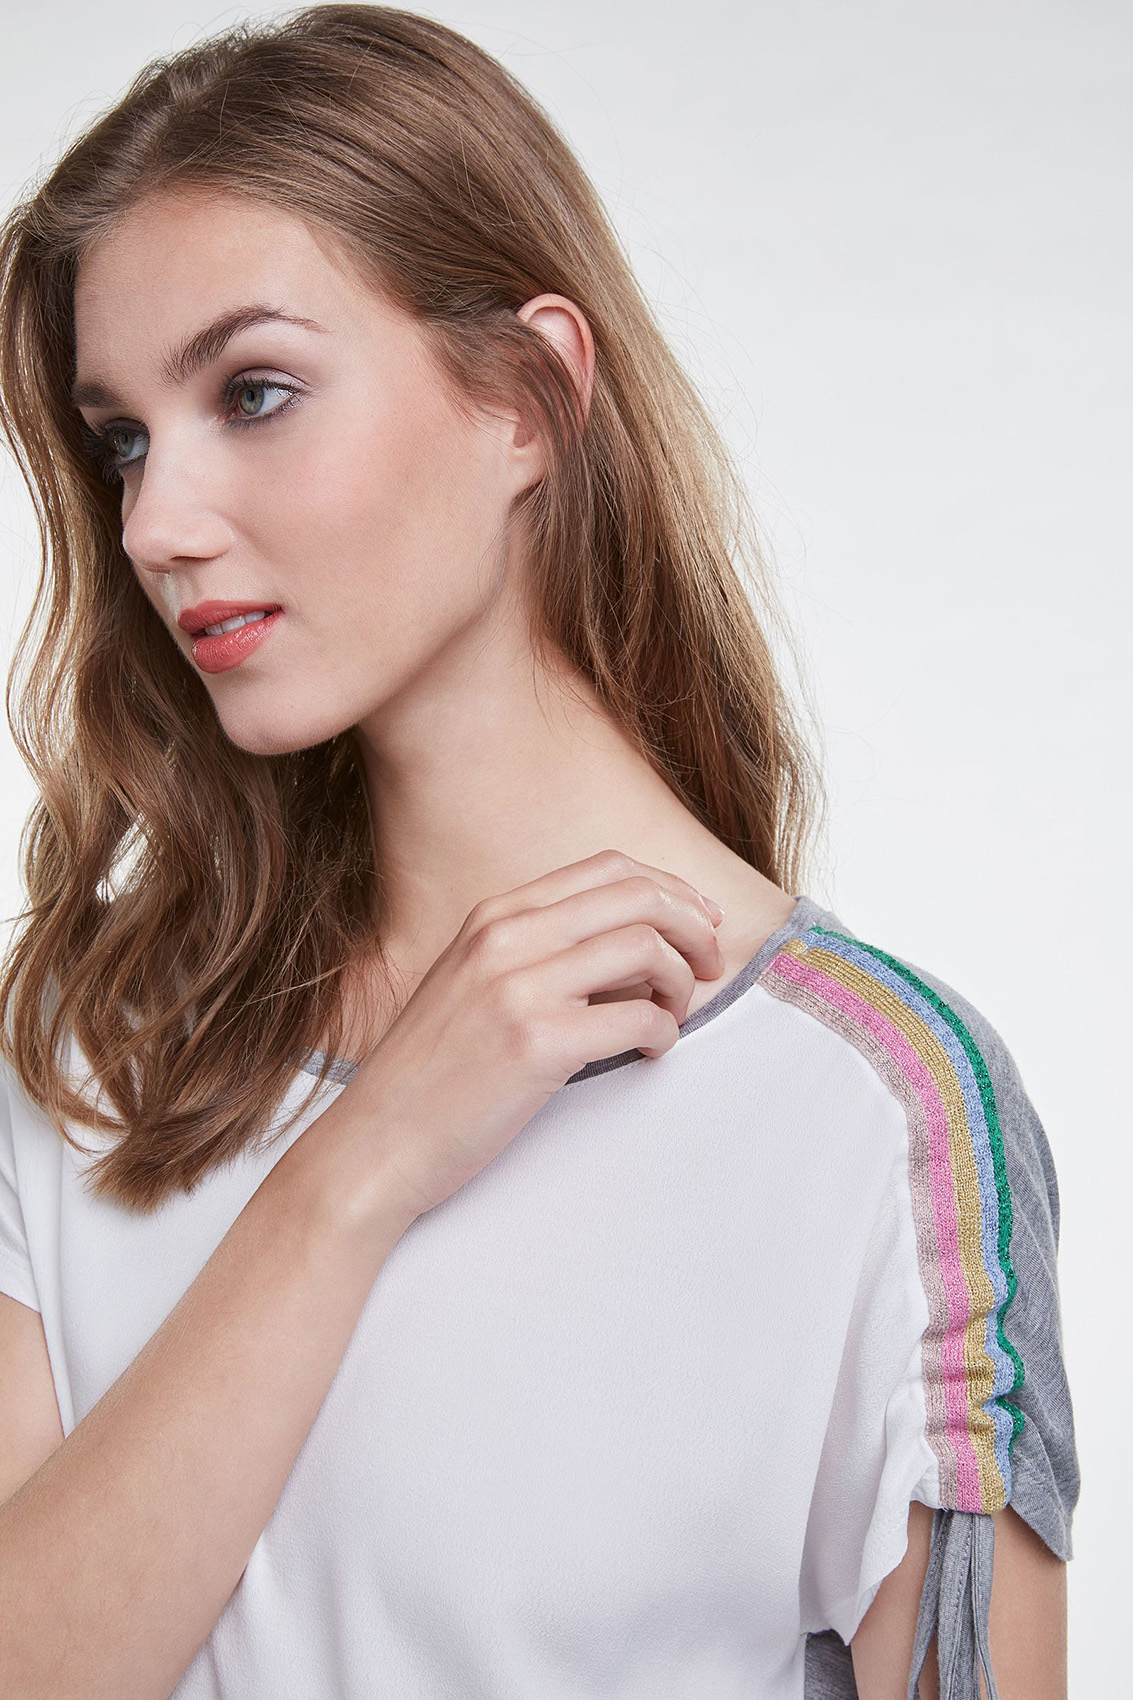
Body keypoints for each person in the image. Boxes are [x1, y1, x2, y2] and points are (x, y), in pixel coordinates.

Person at [0, 7, 1077, 1697]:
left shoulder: (871, 1117)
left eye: (254, 393)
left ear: (526, 393)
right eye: (123, 439)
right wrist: (354, 1173)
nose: (153, 524)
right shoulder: (92, 1048)